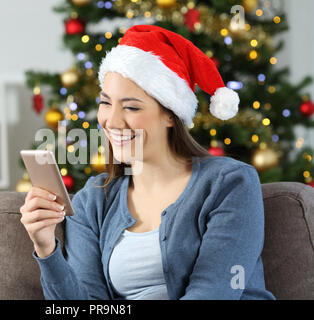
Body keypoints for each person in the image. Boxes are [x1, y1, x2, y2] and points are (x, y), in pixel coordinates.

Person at [20, 25, 275, 300]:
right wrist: (46, 247)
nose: (112, 121)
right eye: (105, 103)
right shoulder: (92, 202)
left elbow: (214, 292)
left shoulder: (230, 183)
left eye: (131, 107)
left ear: (170, 115)